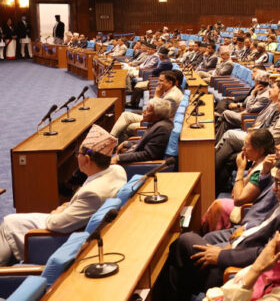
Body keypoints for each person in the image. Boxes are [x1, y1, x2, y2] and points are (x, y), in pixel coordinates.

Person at [154, 156, 280, 300]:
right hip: (243, 245)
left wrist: (222, 255)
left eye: (279, 183)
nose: (274, 188)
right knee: (183, 254)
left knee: (183, 243)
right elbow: (265, 225)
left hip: (237, 268)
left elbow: (267, 253)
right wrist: (243, 233)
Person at [0, 125, 127, 265]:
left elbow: (56, 224)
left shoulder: (92, 194)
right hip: (74, 221)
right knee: (12, 223)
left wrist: (57, 212)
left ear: (86, 159)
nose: (76, 157)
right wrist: (67, 205)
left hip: (60, 236)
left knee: (9, 223)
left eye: (77, 153)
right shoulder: (117, 170)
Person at [201, 129, 277, 233]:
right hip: (245, 203)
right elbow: (234, 192)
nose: (243, 148)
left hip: (248, 212)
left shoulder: (262, 171)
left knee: (217, 205)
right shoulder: (258, 162)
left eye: (247, 145)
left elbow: (238, 200)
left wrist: (240, 170)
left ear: (261, 150)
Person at [111, 70, 182, 141]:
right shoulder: (170, 90)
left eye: (161, 81)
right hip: (153, 118)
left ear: (170, 83)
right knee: (125, 115)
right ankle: (110, 139)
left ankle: (112, 143)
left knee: (125, 127)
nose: (158, 83)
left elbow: (156, 114)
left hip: (157, 124)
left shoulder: (171, 97)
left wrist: (156, 95)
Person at [112, 98, 174, 163]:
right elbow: (146, 143)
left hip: (140, 166)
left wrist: (119, 158)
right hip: (133, 155)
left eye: (148, 110)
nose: (143, 112)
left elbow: (148, 155)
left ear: (157, 115)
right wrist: (127, 143)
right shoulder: (156, 123)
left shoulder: (162, 128)